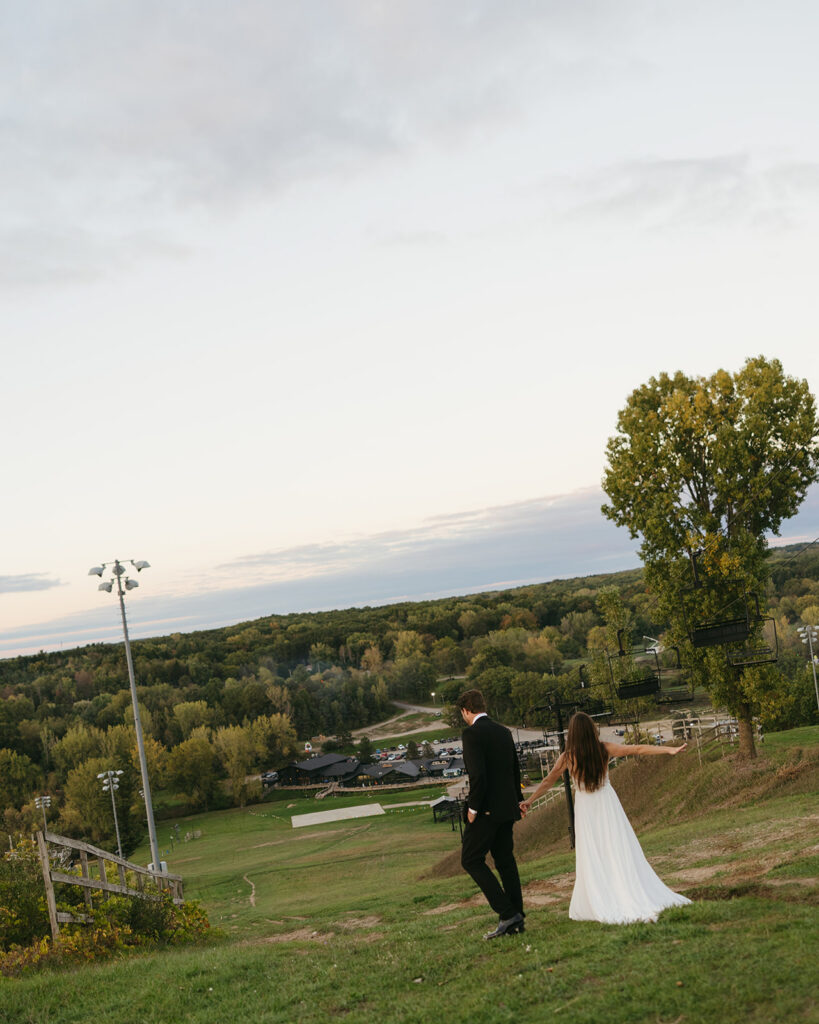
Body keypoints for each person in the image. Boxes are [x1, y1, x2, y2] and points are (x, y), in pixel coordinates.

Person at [520, 712, 691, 925]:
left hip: (586, 809)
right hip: (607, 804)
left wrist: (530, 801)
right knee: (617, 847)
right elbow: (636, 749)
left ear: (572, 734)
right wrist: (669, 749)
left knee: (593, 852)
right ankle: (624, 889)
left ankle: (602, 895)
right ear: (592, 730)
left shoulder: (568, 757)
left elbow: (547, 782)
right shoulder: (604, 749)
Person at [457, 688, 525, 939]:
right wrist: (518, 800)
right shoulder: (504, 731)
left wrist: (473, 809)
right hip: (507, 807)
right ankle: (516, 918)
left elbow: (478, 776)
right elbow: (513, 768)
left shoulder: (471, 734)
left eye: (462, 713)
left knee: (470, 859)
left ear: (466, 710)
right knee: (505, 861)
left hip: (485, 810)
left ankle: (507, 914)